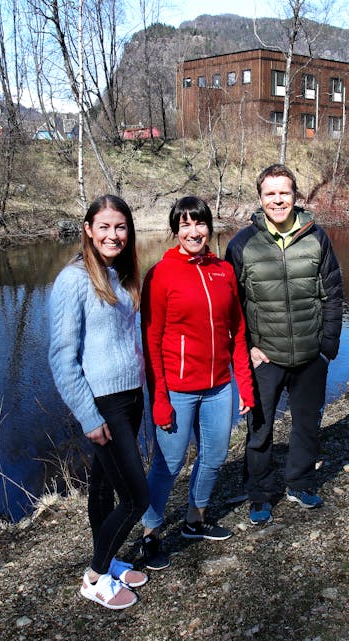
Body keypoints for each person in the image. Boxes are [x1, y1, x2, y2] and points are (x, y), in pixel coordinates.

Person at [137, 196, 255, 570]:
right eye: (185, 224)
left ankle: (195, 520)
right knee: (168, 464)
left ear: (209, 227)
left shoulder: (223, 271)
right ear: (176, 230)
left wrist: (245, 386)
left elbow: (237, 331)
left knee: (216, 456)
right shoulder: (160, 274)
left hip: (220, 386)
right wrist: (159, 399)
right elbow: (151, 340)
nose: (193, 231)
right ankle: (150, 534)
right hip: (177, 389)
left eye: (199, 223)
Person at [224, 164, 343, 525]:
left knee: (307, 424)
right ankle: (260, 494)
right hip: (266, 357)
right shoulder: (241, 244)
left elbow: (333, 295)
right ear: (260, 200)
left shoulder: (316, 238)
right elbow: (232, 307)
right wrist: (247, 350)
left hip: (310, 354)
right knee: (259, 430)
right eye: (270, 194)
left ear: (296, 197)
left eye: (284, 193)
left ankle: (301, 482)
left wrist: (327, 348)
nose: (278, 200)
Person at [48, 194, 150, 610]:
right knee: (136, 498)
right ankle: (95, 576)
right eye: (104, 226)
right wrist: (89, 415)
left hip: (130, 397)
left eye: (121, 226)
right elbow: (61, 357)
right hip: (103, 404)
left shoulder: (120, 274)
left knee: (105, 487)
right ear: (88, 228)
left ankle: (108, 562)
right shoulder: (73, 280)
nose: (113, 234)